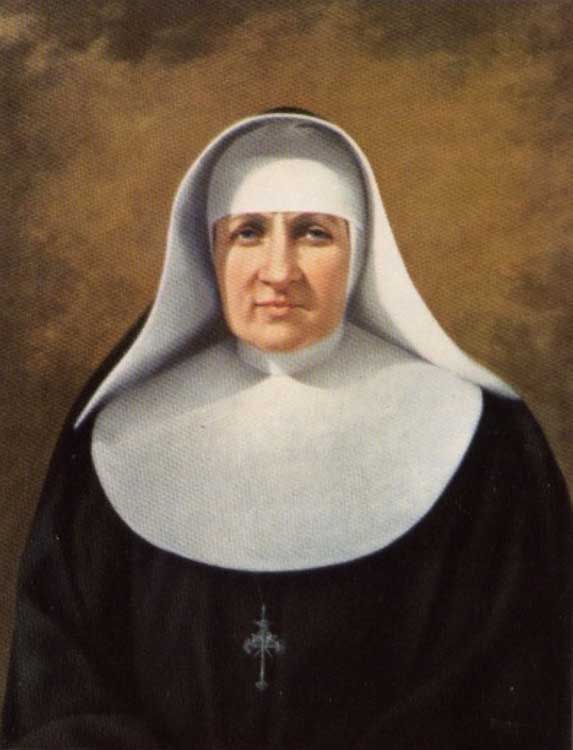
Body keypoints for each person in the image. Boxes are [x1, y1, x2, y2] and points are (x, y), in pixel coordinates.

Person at [1, 109, 571, 749]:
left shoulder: (479, 440)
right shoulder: (116, 441)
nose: (278, 271)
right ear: (208, 250)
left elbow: (513, 687)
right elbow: (59, 697)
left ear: (360, 251)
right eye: (248, 232)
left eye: (313, 233)